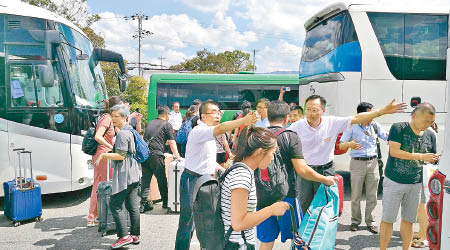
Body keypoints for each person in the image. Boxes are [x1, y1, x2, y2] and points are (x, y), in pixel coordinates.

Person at [288, 94, 407, 214]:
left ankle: (325, 232)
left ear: (323, 111)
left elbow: (356, 118)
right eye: (308, 110)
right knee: (303, 205)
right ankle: (302, 232)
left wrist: (382, 111)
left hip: (326, 170)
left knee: (326, 207)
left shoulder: (332, 122)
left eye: (315, 110)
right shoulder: (296, 127)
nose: (310, 114)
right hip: (305, 172)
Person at [174, 100, 258, 250]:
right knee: (188, 222)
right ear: (203, 116)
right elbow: (220, 128)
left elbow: (208, 161)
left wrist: (222, 170)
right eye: (213, 112)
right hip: (192, 180)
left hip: (206, 180)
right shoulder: (199, 131)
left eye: (218, 112)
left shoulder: (208, 133)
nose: (217, 115)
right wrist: (243, 121)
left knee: (207, 219)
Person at [258, 100, 335, 250]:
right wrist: (324, 178)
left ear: (268, 117)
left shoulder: (258, 136)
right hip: (287, 195)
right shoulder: (290, 136)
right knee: (298, 237)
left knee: (266, 240)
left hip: (262, 197)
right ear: (286, 118)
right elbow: (302, 169)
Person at [379, 103, 439, 250]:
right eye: (426, 121)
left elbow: (431, 158)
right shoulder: (398, 128)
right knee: (388, 219)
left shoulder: (431, 134)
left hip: (416, 184)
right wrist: (420, 156)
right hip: (394, 181)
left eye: (431, 121)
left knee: (409, 220)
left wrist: (434, 159)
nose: (428, 125)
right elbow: (394, 151)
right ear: (414, 116)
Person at [221, 126, 290, 249]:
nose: (273, 158)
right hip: (236, 245)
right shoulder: (242, 176)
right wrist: (271, 210)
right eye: (272, 153)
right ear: (259, 152)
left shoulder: (241, 169)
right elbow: (238, 223)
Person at [95, 104, 141, 249]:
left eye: (116, 116)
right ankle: (134, 235)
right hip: (134, 173)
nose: (113, 119)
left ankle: (123, 236)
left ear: (124, 117)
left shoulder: (122, 134)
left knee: (115, 204)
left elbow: (120, 156)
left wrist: (103, 154)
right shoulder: (130, 130)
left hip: (124, 174)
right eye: (112, 116)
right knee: (133, 206)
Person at [338, 102, 388, 234]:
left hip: (373, 163)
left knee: (372, 195)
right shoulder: (352, 127)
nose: (372, 115)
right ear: (361, 114)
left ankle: (371, 222)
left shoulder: (375, 125)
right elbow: (341, 145)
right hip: (357, 163)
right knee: (356, 195)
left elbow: (386, 136)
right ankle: (355, 221)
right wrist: (350, 144)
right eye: (369, 113)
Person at [87, 96, 121, 227]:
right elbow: (98, 136)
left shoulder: (108, 118)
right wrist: (110, 147)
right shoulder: (107, 118)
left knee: (98, 184)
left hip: (101, 155)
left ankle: (93, 216)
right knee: (106, 185)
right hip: (103, 156)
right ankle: (99, 216)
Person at [141, 105, 183, 212]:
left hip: (145, 155)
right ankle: (166, 203)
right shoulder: (167, 125)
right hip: (156, 156)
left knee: (146, 180)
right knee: (162, 180)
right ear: (167, 114)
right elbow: (172, 142)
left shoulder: (150, 123)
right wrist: (178, 156)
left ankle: (143, 204)